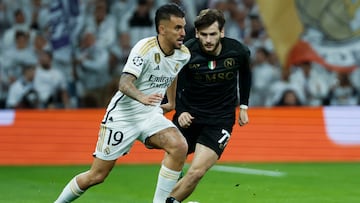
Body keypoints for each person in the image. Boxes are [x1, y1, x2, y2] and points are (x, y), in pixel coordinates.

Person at [54, 3, 190, 203]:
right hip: (123, 117)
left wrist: (170, 101)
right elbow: (124, 83)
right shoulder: (144, 49)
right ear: (162, 29)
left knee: (179, 146)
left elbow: (173, 71)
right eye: (178, 28)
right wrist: (142, 97)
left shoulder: (183, 54)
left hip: (150, 115)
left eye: (184, 27)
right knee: (97, 175)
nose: (183, 33)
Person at [166, 8, 252, 203]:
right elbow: (175, 81)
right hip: (190, 116)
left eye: (213, 34)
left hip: (219, 120)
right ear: (196, 34)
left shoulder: (238, 51)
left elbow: (245, 75)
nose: (208, 40)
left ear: (222, 32)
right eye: (203, 35)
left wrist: (244, 106)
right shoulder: (185, 52)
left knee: (196, 172)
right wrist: (180, 111)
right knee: (170, 161)